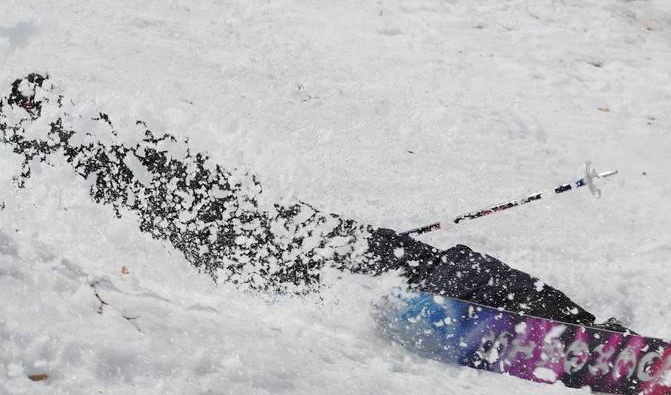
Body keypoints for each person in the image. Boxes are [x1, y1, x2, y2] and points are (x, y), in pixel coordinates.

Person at [0, 73, 608, 328]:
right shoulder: (94, 148)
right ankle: (569, 324)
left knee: (408, 267)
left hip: (258, 242)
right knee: (416, 266)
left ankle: (554, 319)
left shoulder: (85, 152)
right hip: (265, 238)